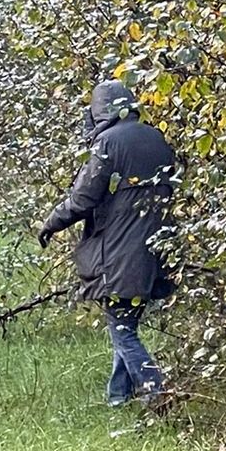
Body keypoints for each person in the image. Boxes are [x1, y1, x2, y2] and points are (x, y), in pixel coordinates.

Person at [38, 79, 178, 408]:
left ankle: (156, 391)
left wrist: (51, 223)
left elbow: (83, 197)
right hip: (157, 246)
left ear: (98, 111)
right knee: (125, 320)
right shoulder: (157, 137)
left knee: (122, 329)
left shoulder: (108, 142)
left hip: (120, 250)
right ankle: (118, 398)